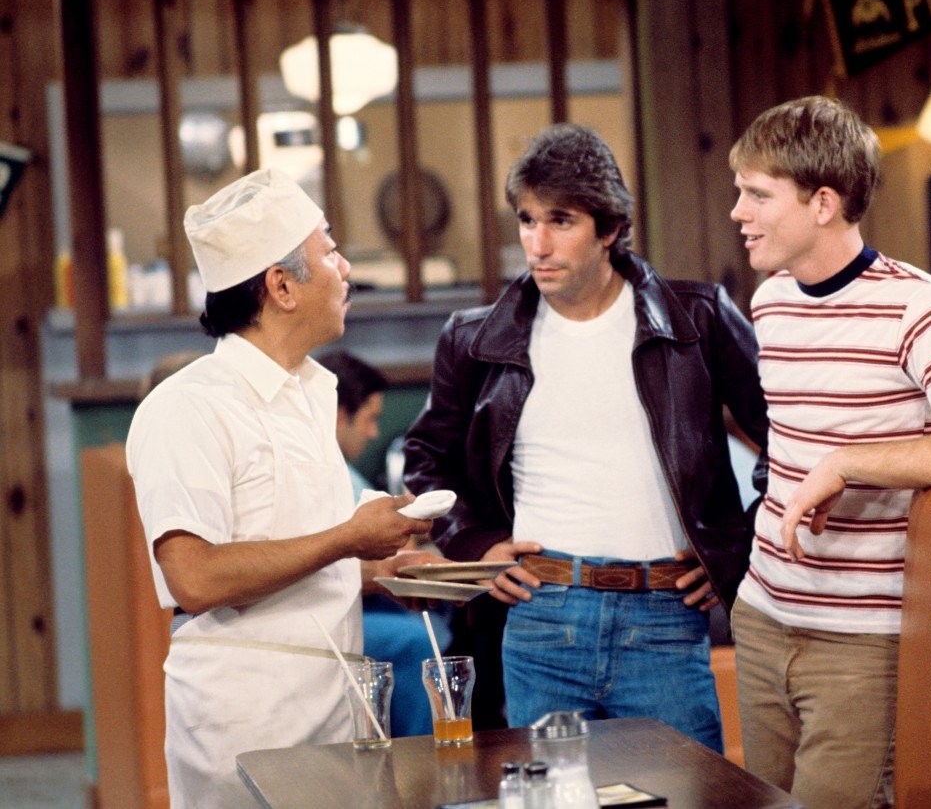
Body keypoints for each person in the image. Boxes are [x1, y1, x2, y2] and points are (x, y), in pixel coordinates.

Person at [401, 123, 769, 751]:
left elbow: (790, 438)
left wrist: (738, 552)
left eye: (560, 220)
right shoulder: (474, 338)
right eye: (526, 220)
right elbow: (426, 464)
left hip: (664, 617)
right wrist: (477, 544)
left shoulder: (696, 317)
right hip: (541, 616)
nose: (537, 244)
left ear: (610, 229)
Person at [727, 96, 931, 808]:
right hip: (761, 619)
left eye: (757, 194)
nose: (738, 211)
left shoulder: (921, 306)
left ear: (823, 203)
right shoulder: (769, 302)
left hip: (862, 646)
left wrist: (845, 463)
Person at [126, 168, 445, 808]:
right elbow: (196, 577)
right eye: (329, 250)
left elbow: (309, 557)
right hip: (247, 723)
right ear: (281, 287)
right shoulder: (186, 407)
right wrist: (350, 538)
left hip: (338, 709)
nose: (347, 266)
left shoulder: (311, 392)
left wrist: (397, 568)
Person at [315, 349, 452, 738]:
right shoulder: (331, 475)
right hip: (327, 610)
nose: (375, 432)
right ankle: (422, 763)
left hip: (354, 602)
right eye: (371, 418)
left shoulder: (346, 474)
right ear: (342, 415)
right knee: (421, 638)